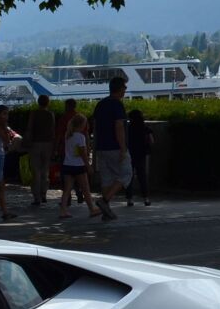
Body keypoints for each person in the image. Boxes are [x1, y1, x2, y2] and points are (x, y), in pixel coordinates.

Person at [90, 76, 130, 221]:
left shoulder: (100, 104)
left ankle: (107, 211)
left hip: (101, 147)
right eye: (124, 88)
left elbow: (95, 128)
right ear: (120, 89)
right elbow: (119, 126)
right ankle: (104, 201)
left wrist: (94, 150)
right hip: (114, 147)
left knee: (106, 179)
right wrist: (123, 148)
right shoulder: (117, 105)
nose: (125, 90)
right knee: (126, 174)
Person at [59, 113, 99, 220]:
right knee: (85, 188)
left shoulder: (68, 135)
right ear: (82, 124)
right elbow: (82, 153)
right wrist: (88, 166)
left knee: (67, 189)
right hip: (78, 166)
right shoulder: (80, 137)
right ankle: (92, 209)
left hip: (67, 164)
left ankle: (63, 210)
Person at [27, 94, 56, 206]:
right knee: (45, 170)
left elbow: (29, 128)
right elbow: (52, 130)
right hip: (48, 144)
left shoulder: (33, 114)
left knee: (36, 171)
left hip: (35, 143)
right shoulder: (51, 114)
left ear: (38, 102)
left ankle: (36, 197)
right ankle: (44, 193)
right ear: (47, 103)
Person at [124, 109, 153, 207]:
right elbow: (152, 141)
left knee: (129, 176)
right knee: (142, 176)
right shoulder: (145, 128)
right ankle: (146, 198)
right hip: (142, 154)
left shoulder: (128, 128)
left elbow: (125, 141)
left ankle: (129, 199)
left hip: (130, 153)